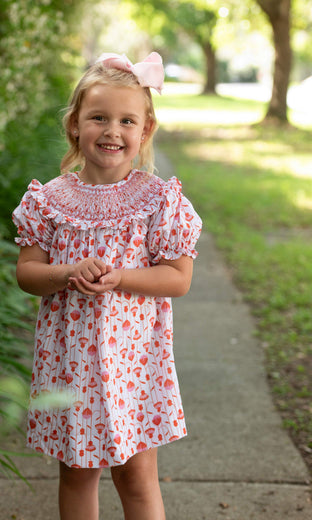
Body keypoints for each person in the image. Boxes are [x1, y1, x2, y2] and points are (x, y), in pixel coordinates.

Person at [12, 51, 202, 520]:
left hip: (135, 367)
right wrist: (67, 272)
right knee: (77, 472)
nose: (112, 131)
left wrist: (121, 278)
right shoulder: (49, 201)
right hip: (70, 364)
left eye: (126, 120)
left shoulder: (160, 202)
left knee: (135, 476)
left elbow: (178, 278)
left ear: (145, 131)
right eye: (98, 117)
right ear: (75, 124)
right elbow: (28, 273)